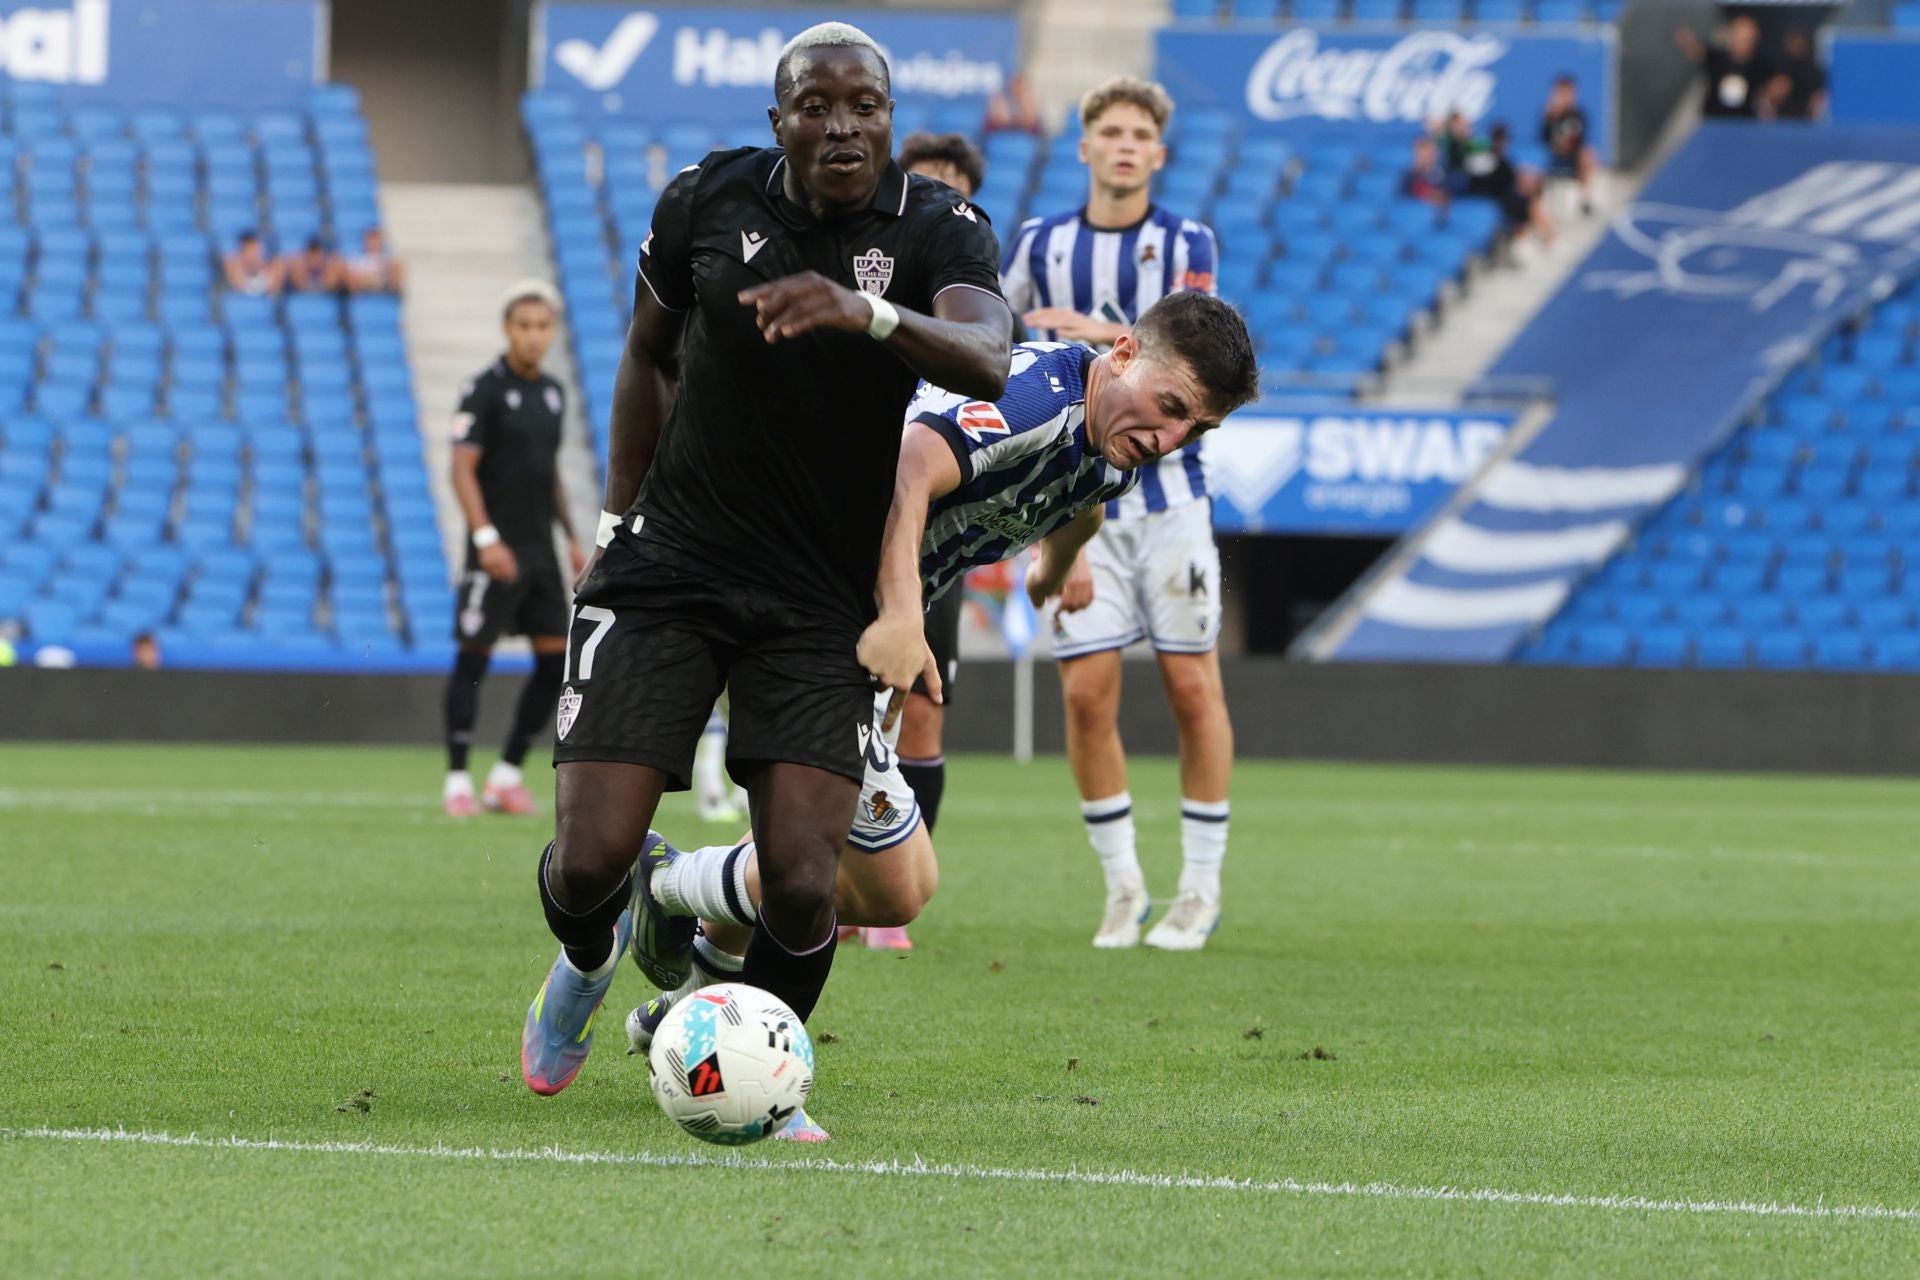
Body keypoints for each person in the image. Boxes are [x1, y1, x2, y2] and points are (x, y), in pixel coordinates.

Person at [519, 21, 1011, 1124]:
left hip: (817, 599)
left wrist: (867, 310)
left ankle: (769, 1087)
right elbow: (648, 352)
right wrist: (612, 518)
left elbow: (988, 354)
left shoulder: (939, 227)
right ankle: (591, 955)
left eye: (865, 107)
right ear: (777, 119)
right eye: (817, 106)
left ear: (889, 115)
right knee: (591, 858)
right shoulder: (706, 200)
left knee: (800, 874)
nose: (843, 127)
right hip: (672, 567)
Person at [624, 294, 1264, 1117]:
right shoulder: (1032, 395)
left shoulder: (1117, 443)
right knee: (888, 886)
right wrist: (898, 617)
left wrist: (1057, 561)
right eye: (1173, 408)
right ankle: (678, 908)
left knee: (829, 864)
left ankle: (683, 992)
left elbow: (1094, 492)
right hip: (817, 606)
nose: (1172, 438)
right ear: (1124, 351)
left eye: (1196, 432)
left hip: (855, 624)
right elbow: (907, 468)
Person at [999, 76, 1235, 952]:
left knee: (1189, 684)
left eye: (1142, 133)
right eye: (1112, 131)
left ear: (1159, 153)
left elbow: (1191, 352)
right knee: (1089, 694)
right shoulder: (1037, 241)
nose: (1128, 144)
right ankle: (1122, 885)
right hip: (1073, 486)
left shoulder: (1187, 239)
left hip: (1173, 502)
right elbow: (1007, 333)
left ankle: (1200, 888)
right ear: (1085, 146)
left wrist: (1083, 331)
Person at [442, 280, 584, 818]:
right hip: (495, 550)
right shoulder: (483, 388)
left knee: (555, 665)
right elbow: (461, 468)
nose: (533, 336)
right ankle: (457, 780)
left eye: (542, 327)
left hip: (541, 553)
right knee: (472, 658)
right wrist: (485, 539)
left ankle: (505, 775)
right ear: (507, 329)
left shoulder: (554, 393)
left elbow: (548, 475)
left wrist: (571, 536)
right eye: (524, 326)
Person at [1677, 15, 1789, 121]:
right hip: (1714, 120)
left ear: (1754, 39)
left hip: (1745, 123)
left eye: (1746, 38)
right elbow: (1697, 51)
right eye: (1737, 35)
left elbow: (1781, 83)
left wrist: (1769, 96)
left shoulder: (1761, 65)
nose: (1740, 41)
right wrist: (1687, 40)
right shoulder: (1717, 57)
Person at [1464, 123, 1555, 248]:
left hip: (1495, 195)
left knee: (1529, 198)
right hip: (1495, 198)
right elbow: (1508, 179)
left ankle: (1540, 236)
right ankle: (1547, 238)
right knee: (1531, 204)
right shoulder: (1494, 157)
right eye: (1501, 139)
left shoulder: (1497, 157)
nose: (1504, 143)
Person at [1540, 74, 1598, 216]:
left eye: (1567, 92)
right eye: (1561, 92)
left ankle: (1585, 199)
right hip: (1553, 155)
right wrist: (1552, 118)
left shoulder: (1578, 114)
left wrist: (1568, 145)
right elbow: (1544, 139)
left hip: (1572, 156)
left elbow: (1580, 139)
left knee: (1588, 154)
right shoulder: (1549, 113)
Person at [1778, 30, 1827, 122]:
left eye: (1800, 44)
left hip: (1805, 123)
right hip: (1780, 122)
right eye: (1794, 43)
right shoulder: (1780, 69)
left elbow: (1819, 99)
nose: (1797, 47)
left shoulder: (1813, 72)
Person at [345, 227, 406, 295]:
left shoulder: (387, 258)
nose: (373, 243)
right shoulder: (358, 259)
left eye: (376, 240)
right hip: (363, 285)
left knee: (397, 266)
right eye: (371, 240)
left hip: (383, 283)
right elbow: (351, 277)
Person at [222, 230, 284, 297]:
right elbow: (238, 285)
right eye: (250, 249)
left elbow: (274, 290)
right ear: (242, 250)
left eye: (256, 249)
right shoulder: (233, 265)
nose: (253, 253)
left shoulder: (274, 266)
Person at [1401, 134, 1452, 209]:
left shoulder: (1447, 174)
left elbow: (1453, 194)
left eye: (1429, 153)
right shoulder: (1408, 177)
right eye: (1421, 153)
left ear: (1436, 154)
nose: (1425, 157)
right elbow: (1404, 199)